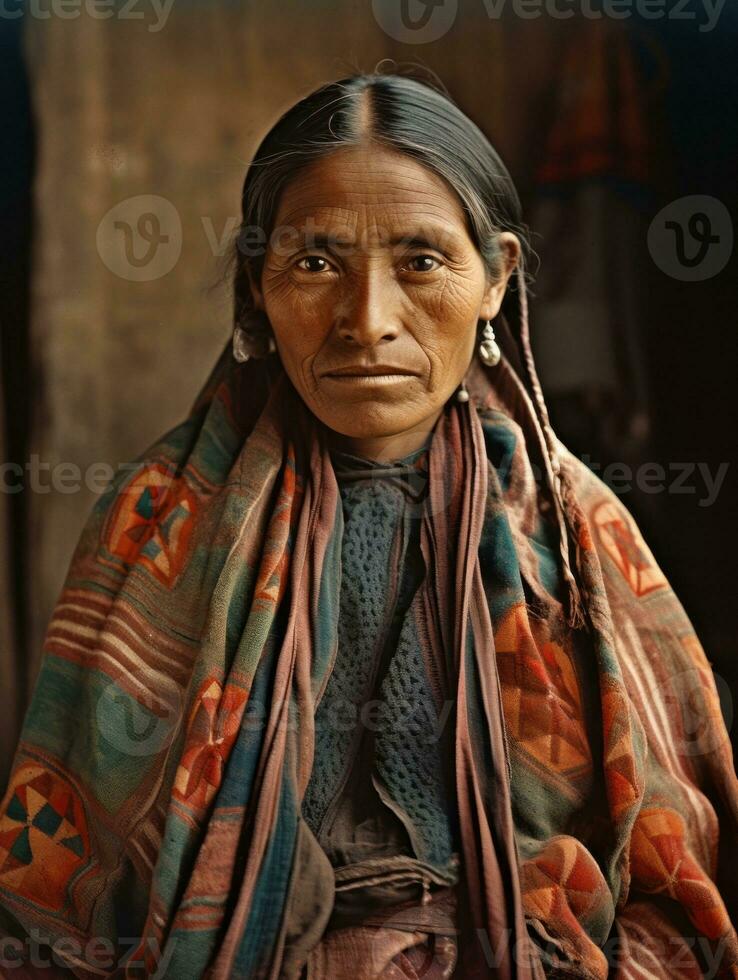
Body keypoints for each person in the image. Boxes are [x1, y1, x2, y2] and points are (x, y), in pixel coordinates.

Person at [0, 72, 736, 980]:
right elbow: (56, 893)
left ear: (497, 277)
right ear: (256, 291)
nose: (367, 321)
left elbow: (680, 882)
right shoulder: (159, 520)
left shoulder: (578, 539)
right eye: (314, 263)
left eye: (422, 262)